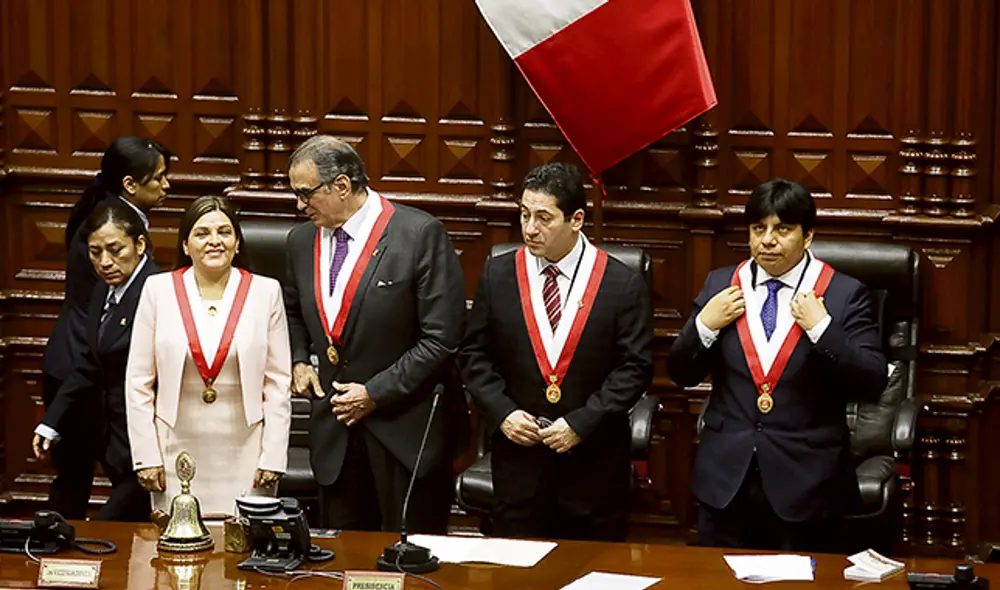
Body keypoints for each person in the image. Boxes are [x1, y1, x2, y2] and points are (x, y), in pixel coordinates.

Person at [668, 178, 888, 552]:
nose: (767, 240)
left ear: (808, 236)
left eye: (782, 229)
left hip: (808, 484)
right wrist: (705, 325)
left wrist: (822, 328)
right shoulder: (722, 284)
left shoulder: (843, 293)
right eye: (758, 229)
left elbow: (872, 381)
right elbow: (681, 373)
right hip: (726, 482)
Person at [459, 163, 654, 541]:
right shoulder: (498, 274)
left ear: (576, 219)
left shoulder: (621, 283)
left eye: (544, 218)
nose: (530, 228)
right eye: (524, 214)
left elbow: (634, 368)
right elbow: (473, 355)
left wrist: (581, 423)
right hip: (520, 464)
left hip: (592, 464)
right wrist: (503, 413)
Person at [283, 135, 465, 533]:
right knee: (341, 561)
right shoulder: (301, 242)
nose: (299, 205)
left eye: (305, 193)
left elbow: (442, 338)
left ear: (342, 186)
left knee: (406, 564)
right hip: (336, 433)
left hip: (402, 432)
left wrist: (374, 394)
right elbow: (292, 310)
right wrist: (298, 357)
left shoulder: (418, 235)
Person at [125, 196, 291, 515]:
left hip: (248, 448)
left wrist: (273, 455)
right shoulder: (157, 290)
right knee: (179, 549)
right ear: (186, 245)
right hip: (174, 446)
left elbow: (277, 384)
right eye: (202, 234)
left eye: (224, 232)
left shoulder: (266, 292)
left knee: (241, 550)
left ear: (237, 242)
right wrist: (146, 455)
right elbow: (138, 383)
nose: (215, 241)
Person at [40, 137, 171, 518]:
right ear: (130, 185)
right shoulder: (106, 231)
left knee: (113, 487)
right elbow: (95, 326)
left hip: (94, 375)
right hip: (87, 373)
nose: (167, 186)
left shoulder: (108, 217)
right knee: (78, 484)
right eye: (159, 178)